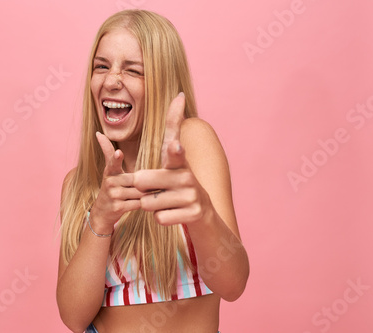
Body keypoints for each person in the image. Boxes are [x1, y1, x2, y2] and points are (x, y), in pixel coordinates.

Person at [56, 9, 249, 333]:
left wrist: (201, 212)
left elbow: (234, 283)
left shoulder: (193, 140)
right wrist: (100, 220)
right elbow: (74, 319)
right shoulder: (78, 184)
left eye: (134, 71)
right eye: (101, 67)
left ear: (162, 82)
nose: (111, 80)